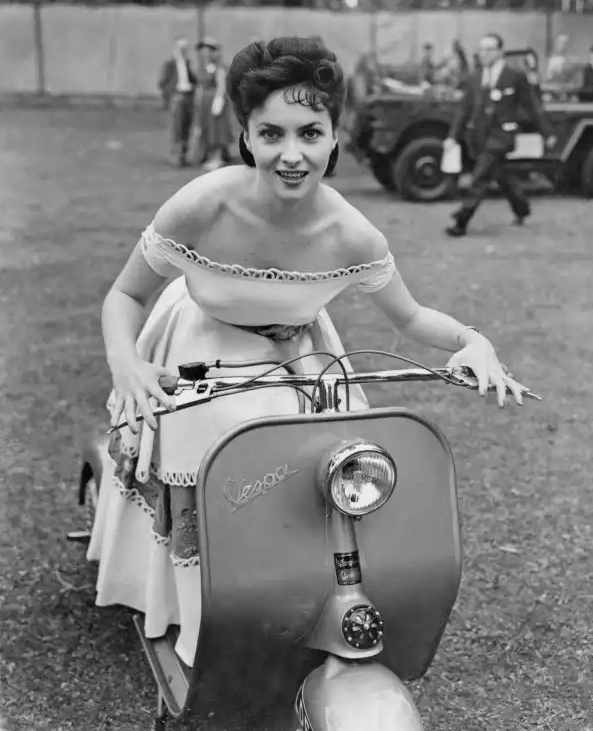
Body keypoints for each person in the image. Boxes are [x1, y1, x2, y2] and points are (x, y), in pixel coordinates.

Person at [90, 36, 527, 668]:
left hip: (300, 355)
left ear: (333, 136)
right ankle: (199, 609)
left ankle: (306, 594)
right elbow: (126, 295)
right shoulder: (201, 205)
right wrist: (126, 362)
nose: (291, 155)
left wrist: (471, 341)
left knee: (332, 465)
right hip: (200, 342)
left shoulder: (352, 234)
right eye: (271, 134)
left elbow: (410, 316)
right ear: (245, 136)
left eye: (310, 133)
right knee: (210, 454)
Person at [444, 33, 556, 238]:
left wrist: (547, 132)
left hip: (502, 136)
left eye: (489, 49)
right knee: (500, 175)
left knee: (480, 177)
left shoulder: (514, 76)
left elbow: (532, 106)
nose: (483, 53)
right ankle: (522, 208)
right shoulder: (475, 78)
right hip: (479, 136)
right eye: (481, 49)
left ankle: (461, 219)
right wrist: (453, 137)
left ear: (500, 52)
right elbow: (463, 110)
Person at [191, 38, 233, 170]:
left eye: (208, 50)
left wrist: (219, 99)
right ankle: (208, 155)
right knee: (205, 128)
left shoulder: (219, 67)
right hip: (204, 103)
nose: (205, 54)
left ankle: (217, 157)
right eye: (203, 51)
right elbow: (200, 85)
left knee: (216, 129)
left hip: (214, 101)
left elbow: (221, 84)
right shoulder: (202, 68)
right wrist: (198, 99)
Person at [158, 38, 197, 167]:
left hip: (188, 95)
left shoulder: (188, 62)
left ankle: (184, 155)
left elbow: (193, 79)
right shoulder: (170, 63)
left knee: (186, 126)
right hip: (177, 96)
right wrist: (170, 95)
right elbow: (163, 82)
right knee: (176, 127)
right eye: (181, 48)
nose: (183, 51)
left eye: (185, 48)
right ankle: (176, 156)